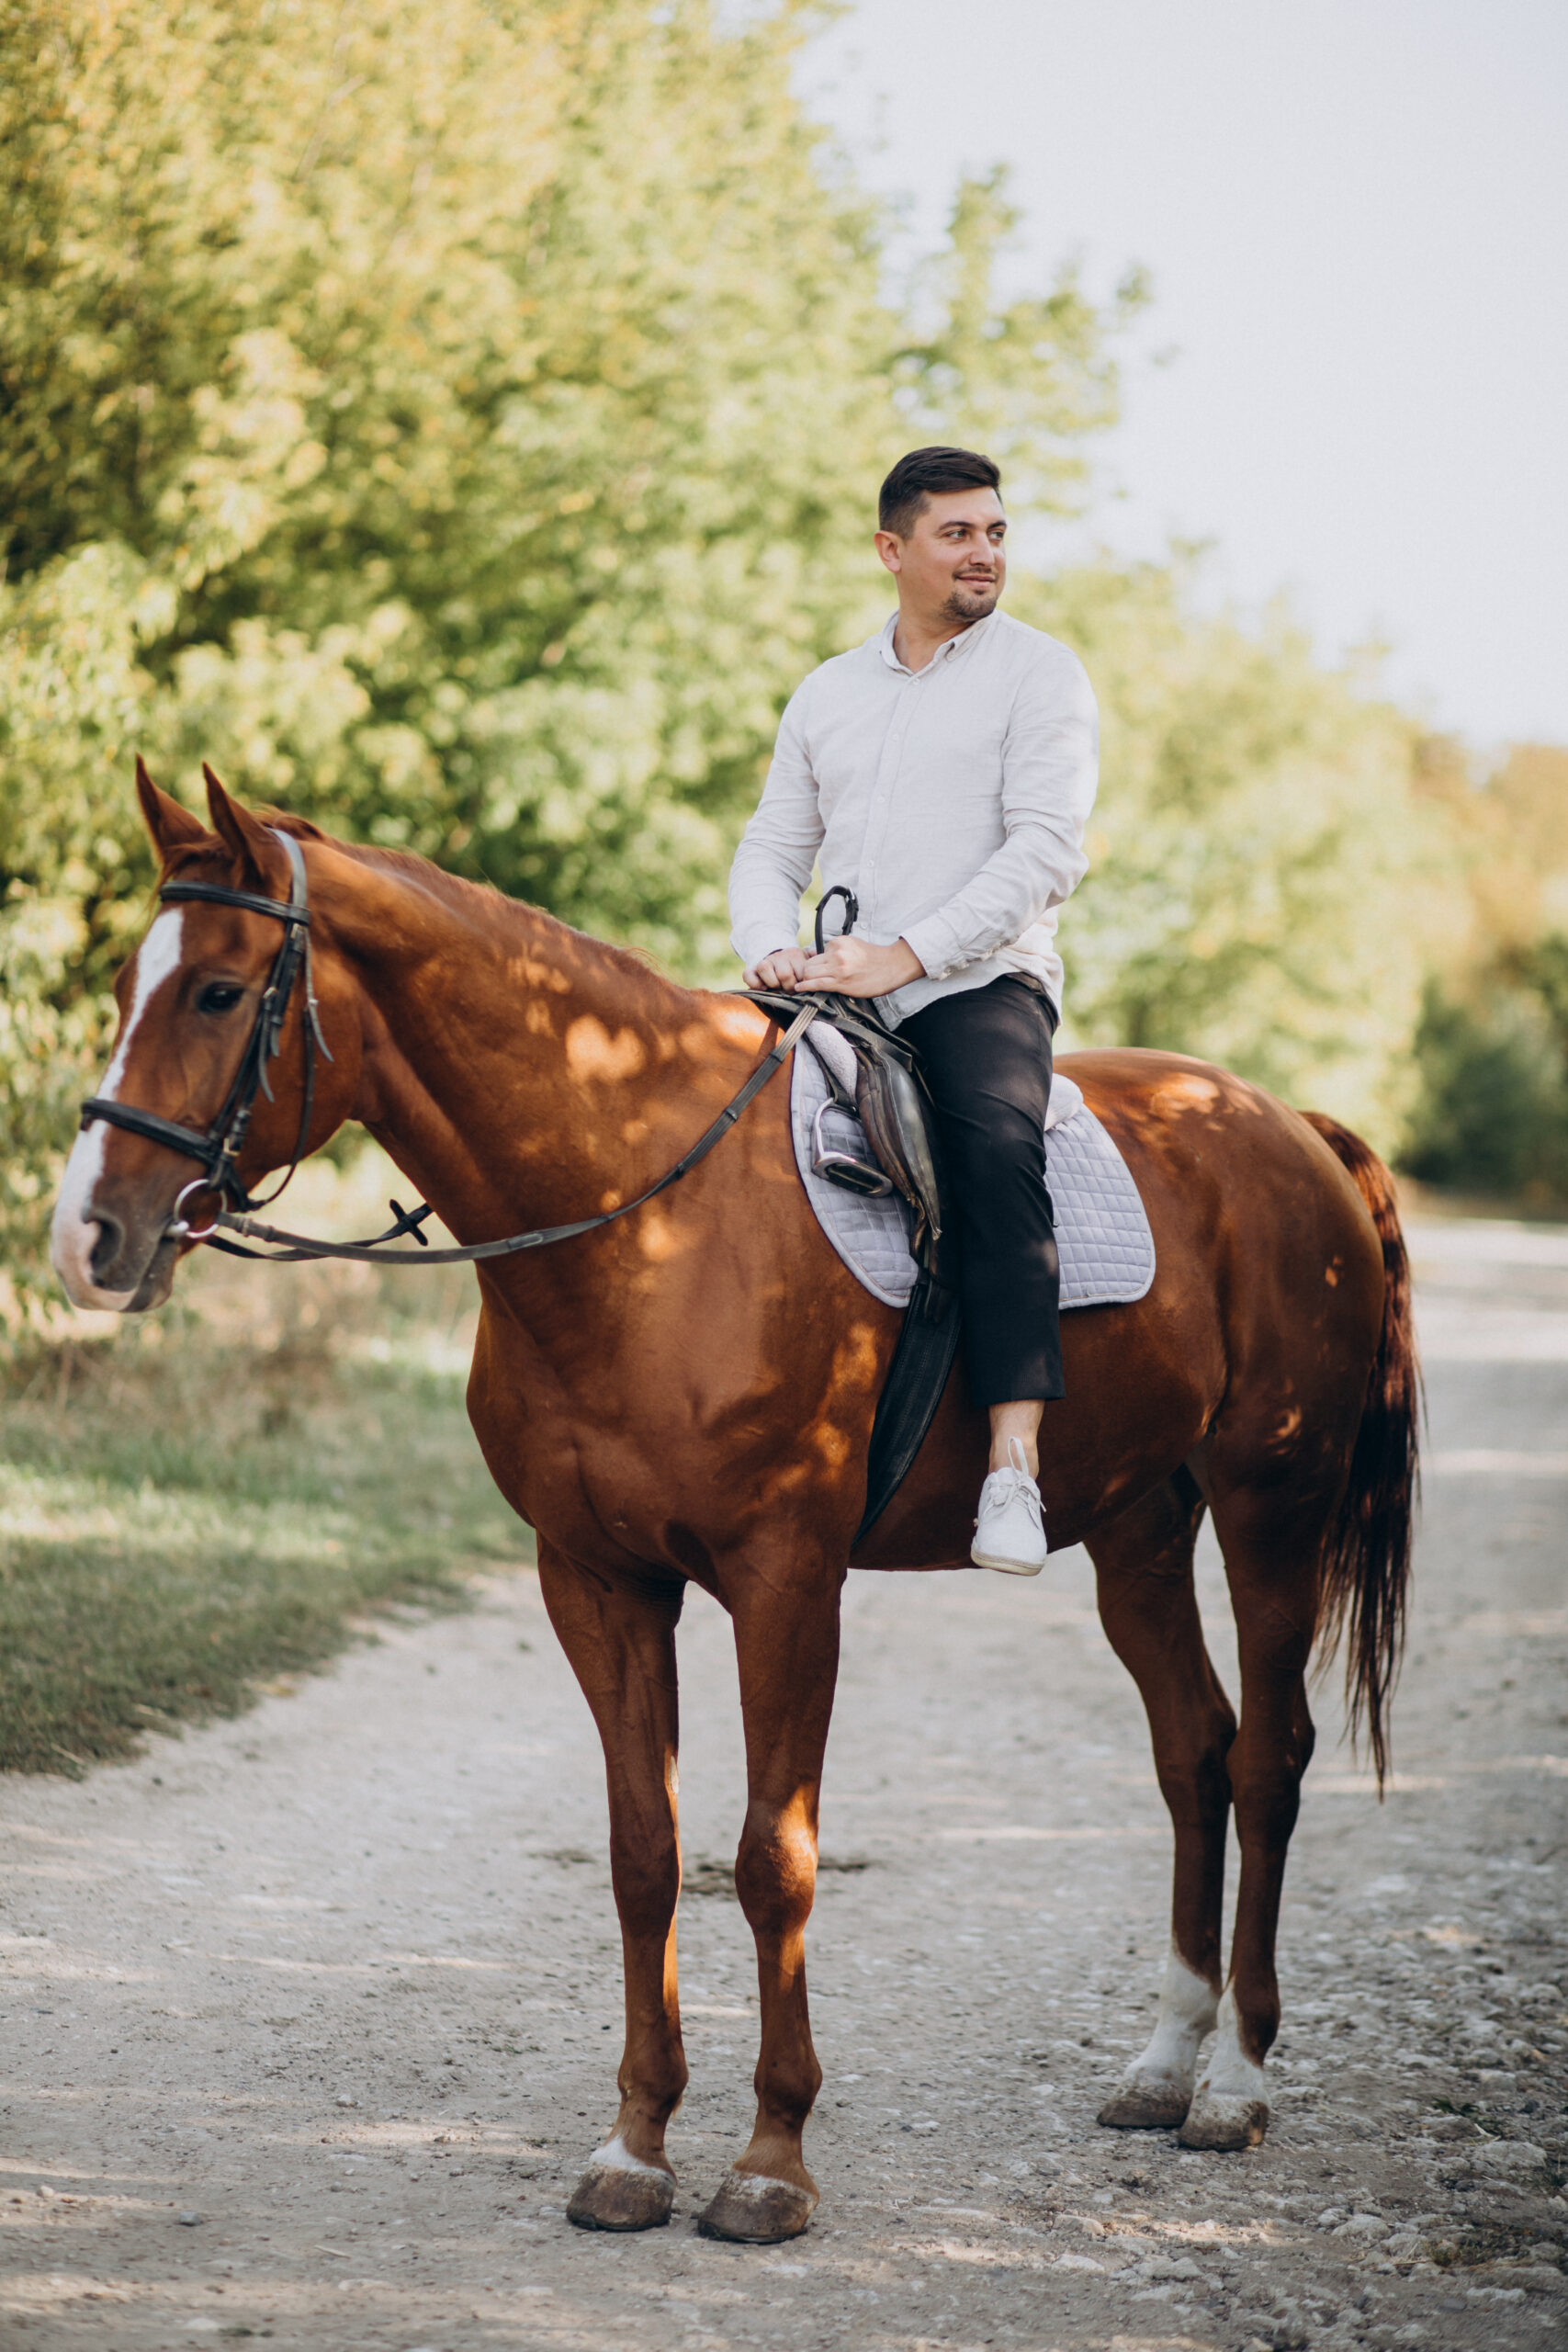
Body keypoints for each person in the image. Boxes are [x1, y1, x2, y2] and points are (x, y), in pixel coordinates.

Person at [728, 445, 1099, 1575]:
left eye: (995, 532)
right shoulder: (827, 691)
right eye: (958, 533)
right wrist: (770, 952)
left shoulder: (1042, 675)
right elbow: (770, 846)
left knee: (994, 1149)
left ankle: (1010, 1468)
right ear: (894, 550)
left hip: (975, 985)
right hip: (831, 985)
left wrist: (909, 954)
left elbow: (1045, 848)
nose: (984, 551)